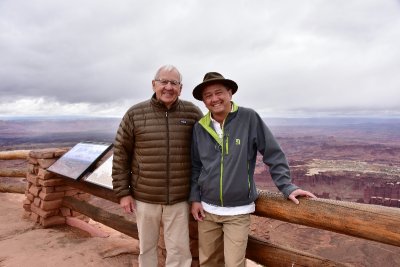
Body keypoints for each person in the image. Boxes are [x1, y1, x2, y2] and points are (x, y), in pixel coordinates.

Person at [189, 72, 317, 267]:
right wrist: (195, 198)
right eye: (208, 95)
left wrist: (287, 187)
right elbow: (196, 166)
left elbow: (273, 153)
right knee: (208, 263)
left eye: (219, 92)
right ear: (204, 101)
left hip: (238, 211)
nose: (214, 99)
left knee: (234, 264)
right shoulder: (200, 127)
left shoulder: (249, 118)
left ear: (230, 93)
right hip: (207, 210)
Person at [112, 65, 203, 267]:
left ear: (181, 87)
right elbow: (121, 154)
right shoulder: (135, 114)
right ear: (154, 84)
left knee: (179, 251)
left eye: (174, 83)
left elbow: (205, 150)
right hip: (144, 197)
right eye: (164, 81)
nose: (168, 87)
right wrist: (122, 192)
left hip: (179, 198)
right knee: (147, 249)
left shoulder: (192, 113)